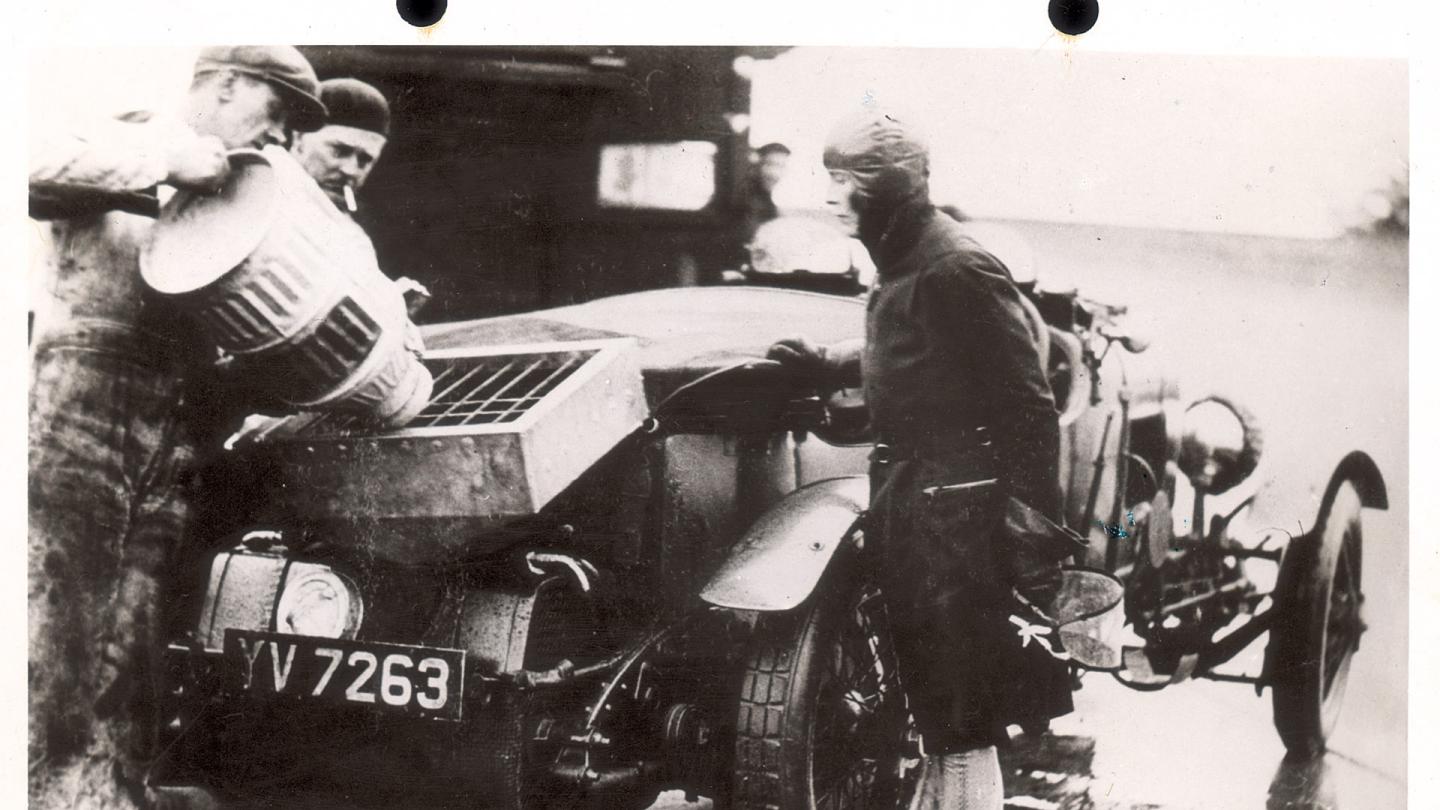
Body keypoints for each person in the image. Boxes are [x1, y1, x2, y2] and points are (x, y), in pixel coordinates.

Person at [27, 46, 326, 810]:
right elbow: (33, 166)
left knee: (130, 647)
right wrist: (168, 158)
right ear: (228, 86)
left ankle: (107, 797)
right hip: (83, 398)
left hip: (173, 418)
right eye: (278, 114)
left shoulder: (240, 195)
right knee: (56, 631)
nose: (281, 138)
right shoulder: (132, 134)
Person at [767, 109, 1071, 809]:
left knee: (961, 718)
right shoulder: (904, 260)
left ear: (886, 185)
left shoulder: (956, 265)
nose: (828, 195)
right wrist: (826, 360)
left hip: (956, 521)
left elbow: (1029, 409)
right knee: (940, 710)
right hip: (919, 506)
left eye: (842, 180)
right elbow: (912, 347)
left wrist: (1032, 542)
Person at [292, 77, 390, 215]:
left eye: (364, 160)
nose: (351, 170)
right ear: (299, 138)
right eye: (340, 151)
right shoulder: (260, 201)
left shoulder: (352, 230)